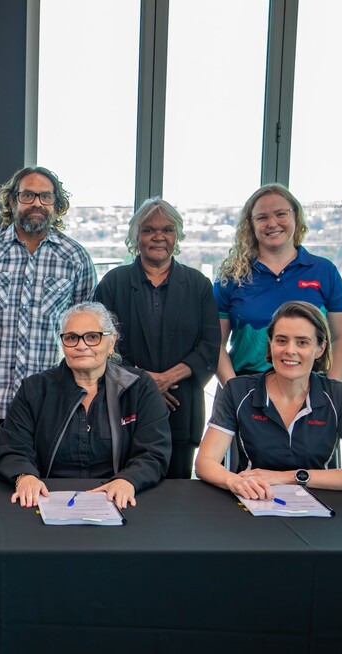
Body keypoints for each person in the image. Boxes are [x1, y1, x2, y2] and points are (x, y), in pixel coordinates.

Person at [0, 166, 96, 478]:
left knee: (44, 489)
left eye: (45, 196)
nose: (36, 203)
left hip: (49, 406)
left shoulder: (75, 258)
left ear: (56, 205)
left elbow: (81, 330)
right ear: (11, 201)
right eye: (27, 195)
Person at [195, 301, 342, 497]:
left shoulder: (341, 396)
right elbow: (205, 462)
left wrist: (288, 477)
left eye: (302, 342)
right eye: (281, 340)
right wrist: (233, 481)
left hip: (323, 507)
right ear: (270, 344)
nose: (290, 350)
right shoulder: (238, 391)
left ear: (320, 348)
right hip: (254, 501)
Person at [0, 302, 171, 509]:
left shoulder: (139, 387)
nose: (81, 345)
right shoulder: (33, 389)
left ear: (111, 341)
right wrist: (24, 476)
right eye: (71, 338)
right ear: (62, 344)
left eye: (92, 337)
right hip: (45, 498)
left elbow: (154, 451)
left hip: (117, 498)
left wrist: (129, 480)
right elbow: (12, 447)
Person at [93, 198, 219, 479]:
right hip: (125, 400)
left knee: (177, 494)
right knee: (123, 484)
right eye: (149, 230)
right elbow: (100, 345)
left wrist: (166, 378)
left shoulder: (198, 285)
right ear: (135, 237)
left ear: (178, 236)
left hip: (181, 403)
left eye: (167, 229)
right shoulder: (113, 284)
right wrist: (148, 382)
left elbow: (209, 347)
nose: (158, 236)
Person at [215, 183, 342, 385]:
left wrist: (332, 390)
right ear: (250, 224)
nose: (272, 223)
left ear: (296, 217)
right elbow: (216, 344)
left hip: (309, 387)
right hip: (246, 386)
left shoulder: (324, 271)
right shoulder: (231, 276)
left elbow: (341, 339)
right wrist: (233, 389)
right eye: (262, 217)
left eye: (281, 214)